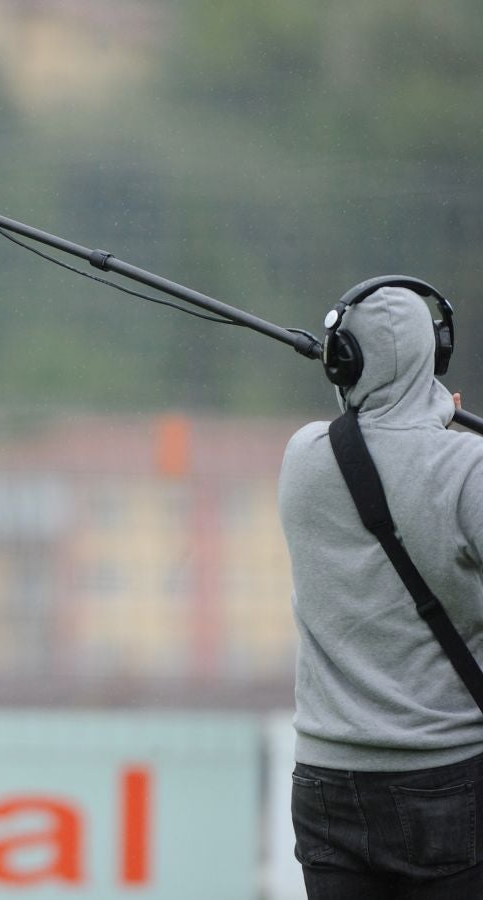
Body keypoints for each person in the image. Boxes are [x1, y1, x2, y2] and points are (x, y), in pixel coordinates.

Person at [277, 282, 483, 897]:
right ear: (435, 357)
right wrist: (435, 418)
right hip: (446, 774)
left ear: (344, 359)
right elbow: (424, 465)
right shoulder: (467, 466)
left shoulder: (304, 457)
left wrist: (421, 414)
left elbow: (370, 435)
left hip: (326, 781)